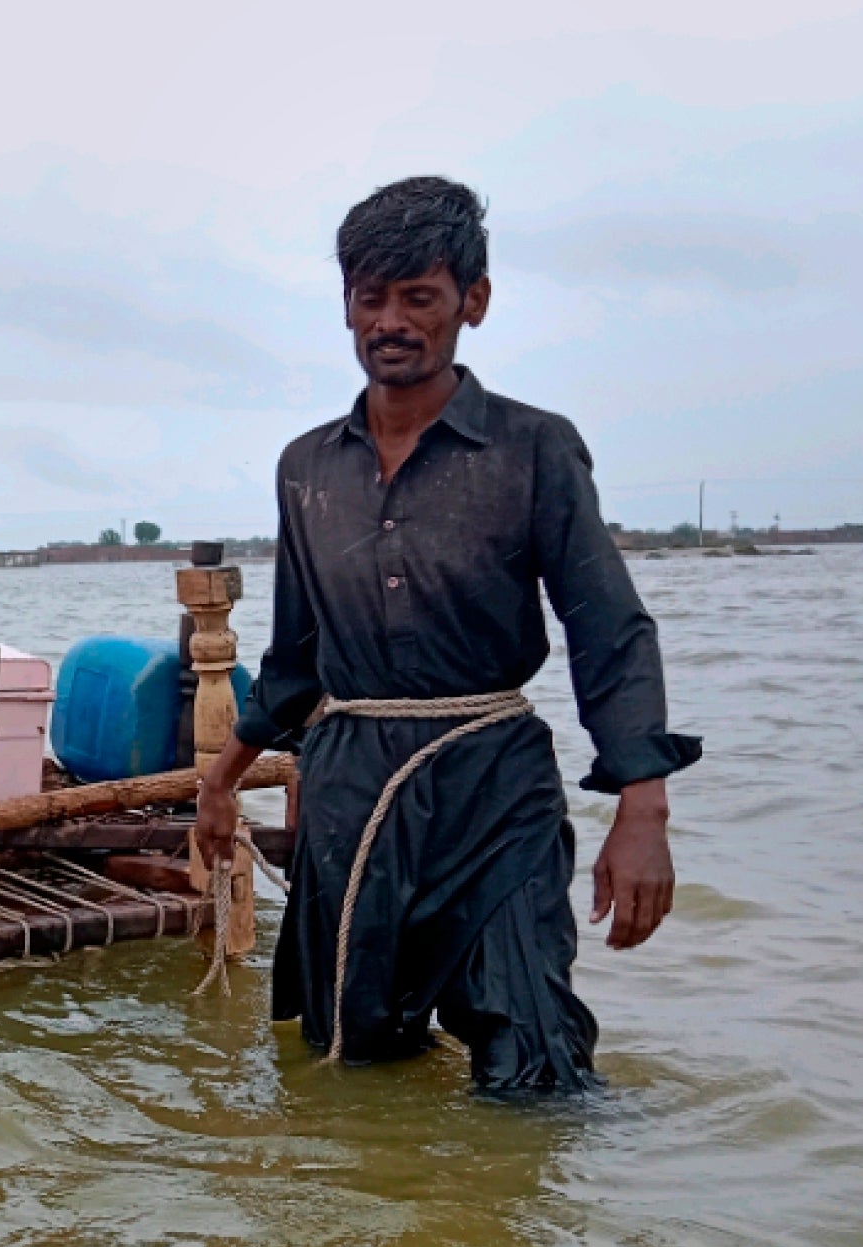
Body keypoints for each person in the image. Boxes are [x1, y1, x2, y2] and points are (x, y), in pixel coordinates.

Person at [193, 177, 700, 1093]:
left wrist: (643, 807)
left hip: (491, 786)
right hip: (351, 792)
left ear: (473, 301)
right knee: (346, 1063)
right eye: (369, 297)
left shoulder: (533, 448)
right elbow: (295, 655)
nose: (390, 320)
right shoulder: (306, 467)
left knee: (537, 1064)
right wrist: (222, 780)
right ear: (345, 304)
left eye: (417, 297)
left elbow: (607, 626)